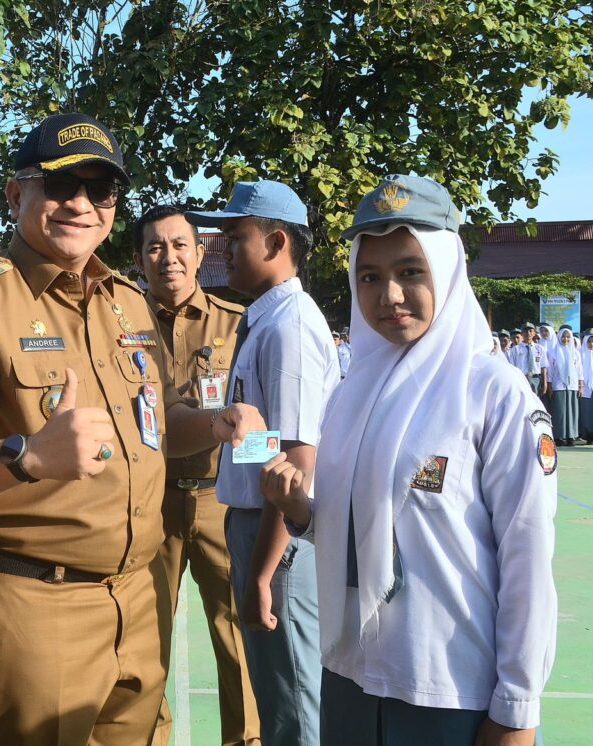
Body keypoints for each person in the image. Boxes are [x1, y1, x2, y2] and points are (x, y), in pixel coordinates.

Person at [0, 113, 263, 746]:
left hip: (137, 600)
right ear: (17, 195)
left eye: (100, 191)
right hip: (33, 607)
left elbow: (149, 427)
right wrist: (27, 455)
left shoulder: (126, 299)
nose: (81, 205)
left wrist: (212, 422)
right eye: (62, 185)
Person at [259, 175, 556, 746]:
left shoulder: (493, 393)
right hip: (351, 679)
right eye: (370, 277)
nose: (389, 295)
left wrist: (517, 708)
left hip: (448, 692)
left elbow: (528, 558)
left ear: (445, 271)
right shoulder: (351, 396)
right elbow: (371, 533)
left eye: (409, 272)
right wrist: (304, 513)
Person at [188, 180, 340, 746]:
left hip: (277, 539)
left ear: (277, 242)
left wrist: (259, 574)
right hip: (258, 529)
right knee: (279, 697)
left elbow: (297, 461)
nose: (222, 250)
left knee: (295, 707)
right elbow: (270, 444)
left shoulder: (290, 327)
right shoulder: (266, 320)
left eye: (234, 238)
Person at [133, 204, 259, 746]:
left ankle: (245, 740)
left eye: (181, 245)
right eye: (156, 247)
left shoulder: (238, 323)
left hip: (219, 502)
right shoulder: (118, 325)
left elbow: (259, 416)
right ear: (139, 258)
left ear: (200, 251)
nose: (170, 258)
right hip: (146, 505)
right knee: (142, 640)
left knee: (238, 640)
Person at [548, 326, 583, 446]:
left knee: (572, 412)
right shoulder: (553, 352)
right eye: (563, 336)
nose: (566, 339)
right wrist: (550, 386)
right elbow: (550, 370)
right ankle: (559, 436)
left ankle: (571, 436)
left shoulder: (575, 353)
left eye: (568, 337)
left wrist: (581, 386)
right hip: (558, 385)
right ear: (559, 337)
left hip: (572, 386)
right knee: (560, 412)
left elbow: (580, 371)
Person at [580, 333, 593, 443]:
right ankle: (588, 435)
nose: (591, 344)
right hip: (585, 387)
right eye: (589, 341)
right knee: (586, 411)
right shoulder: (581, 354)